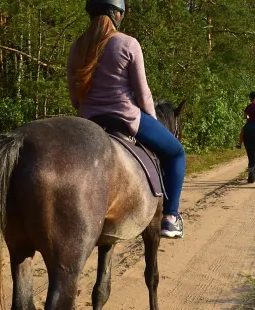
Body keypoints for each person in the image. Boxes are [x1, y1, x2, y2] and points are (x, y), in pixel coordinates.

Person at [66, 0, 185, 238]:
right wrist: (153, 120)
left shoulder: (77, 47)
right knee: (176, 153)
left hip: (88, 122)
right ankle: (171, 217)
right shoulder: (128, 43)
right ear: (115, 14)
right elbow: (143, 94)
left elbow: (74, 97)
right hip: (125, 118)